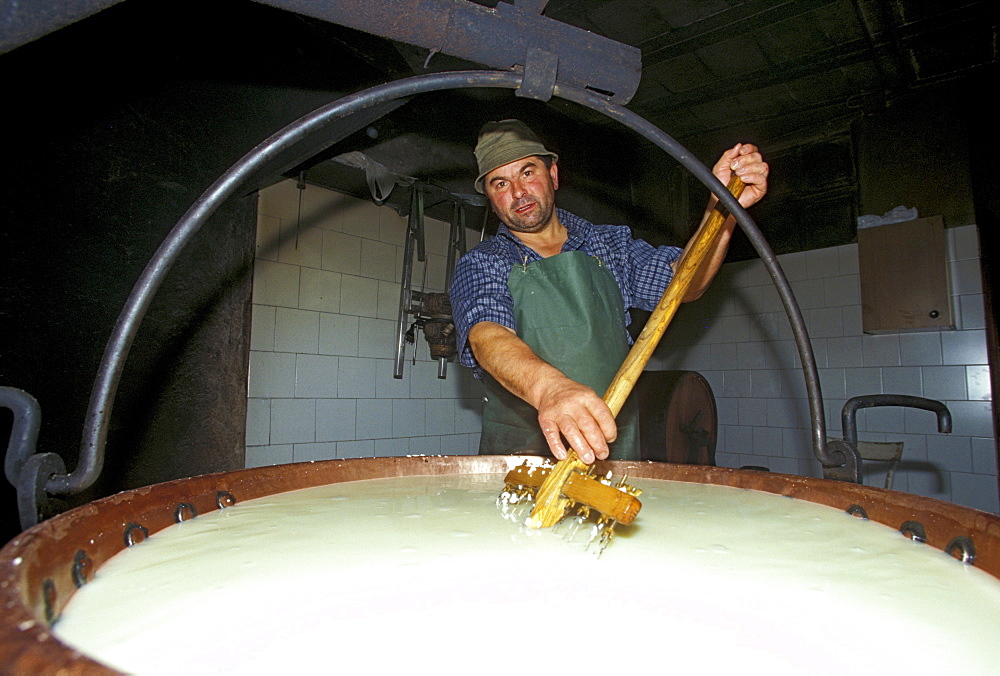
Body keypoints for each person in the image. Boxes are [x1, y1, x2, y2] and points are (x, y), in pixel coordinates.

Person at [449, 119, 768, 465]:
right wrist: (551, 389)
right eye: (500, 183)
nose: (518, 192)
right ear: (490, 199)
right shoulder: (483, 262)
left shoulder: (609, 245)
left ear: (553, 175)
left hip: (613, 455)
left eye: (527, 172)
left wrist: (721, 210)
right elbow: (487, 336)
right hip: (519, 461)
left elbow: (684, 283)